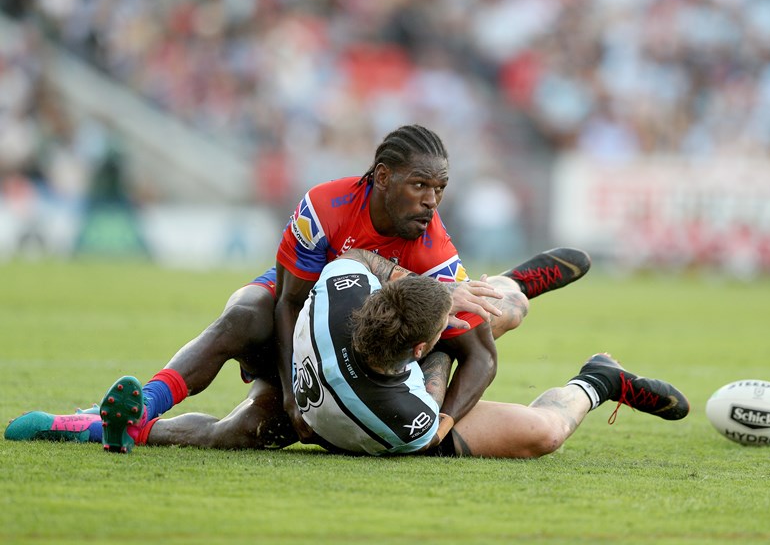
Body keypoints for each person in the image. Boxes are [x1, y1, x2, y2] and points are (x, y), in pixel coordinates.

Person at [5, 124, 592, 452]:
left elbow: (477, 351)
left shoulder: (433, 248)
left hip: (364, 363)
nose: (432, 200)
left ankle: (98, 426)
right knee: (245, 308)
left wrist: (438, 422)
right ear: (382, 178)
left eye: (440, 189)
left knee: (232, 438)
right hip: (297, 331)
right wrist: (291, 391)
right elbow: (289, 299)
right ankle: (135, 408)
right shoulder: (327, 206)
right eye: (420, 186)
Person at [6, 249, 688, 458]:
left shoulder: (343, 287)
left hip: (310, 369)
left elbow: (353, 258)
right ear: (422, 349)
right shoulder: (410, 415)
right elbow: (446, 396)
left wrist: (405, 283)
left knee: (229, 434)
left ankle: (78, 423)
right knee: (540, 429)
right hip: (370, 411)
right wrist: (450, 370)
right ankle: (597, 380)